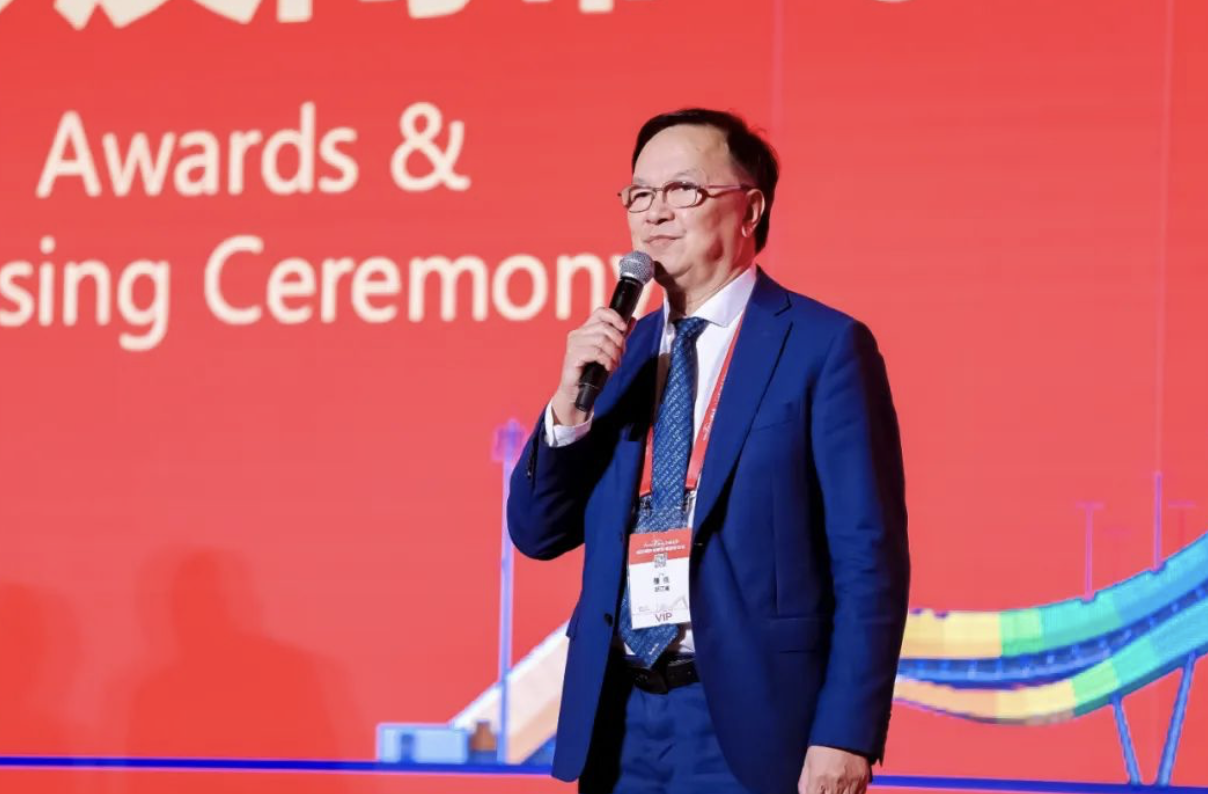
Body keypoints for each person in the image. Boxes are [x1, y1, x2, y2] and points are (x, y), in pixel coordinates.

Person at [507, 108, 910, 794]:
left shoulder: (823, 347)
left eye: (683, 190)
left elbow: (868, 558)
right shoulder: (621, 354)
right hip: (618, 716)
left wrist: (846, 733)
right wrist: (568, 406)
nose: (655, 213)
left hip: (755, 721)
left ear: (750, 209)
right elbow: (538, 532)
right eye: (640, 194)